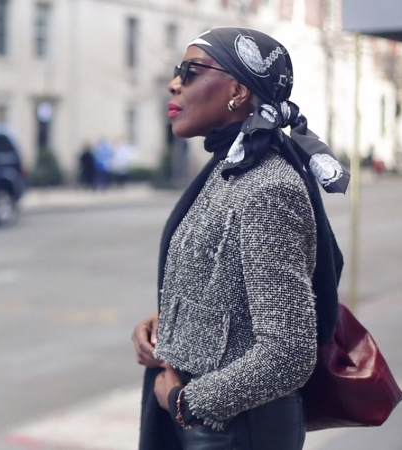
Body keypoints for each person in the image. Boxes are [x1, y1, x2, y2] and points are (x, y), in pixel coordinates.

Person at [131, 28, 349, 450]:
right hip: (216, 425)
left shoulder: (268, 188)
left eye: (190, 72)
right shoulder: (231, 167)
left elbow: (287, 352)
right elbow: (227, 289)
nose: (174, 84)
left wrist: (183, 402)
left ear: (237, 91)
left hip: (235, 431)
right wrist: (168, 323)